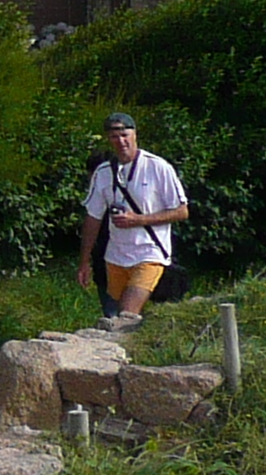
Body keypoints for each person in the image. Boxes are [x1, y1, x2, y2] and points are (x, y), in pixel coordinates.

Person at [75, 112, 189, 331]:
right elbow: (93, 218)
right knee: (119, 316)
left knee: (127, 314)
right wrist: (84, 262)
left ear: (135, 135)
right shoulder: (103, 173)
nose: (121, 141)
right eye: (114, 137)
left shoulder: (158, 167)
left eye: (125, 135)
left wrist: (139, 219)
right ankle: (132, 354)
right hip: (116, 256)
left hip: (150, 252)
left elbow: (182, 211)